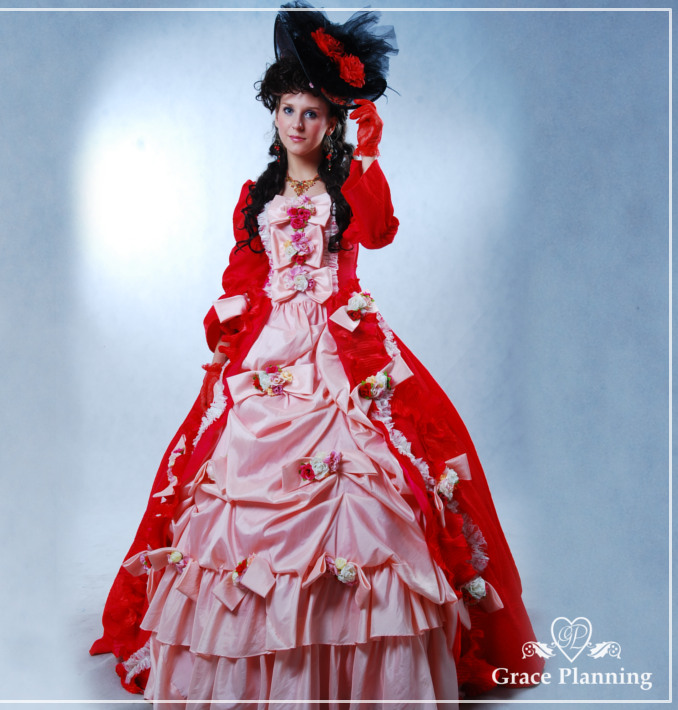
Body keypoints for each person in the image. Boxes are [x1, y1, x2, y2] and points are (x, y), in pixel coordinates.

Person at [90, 3, 544, 706]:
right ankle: (253, 663)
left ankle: (363, 663)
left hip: (338, 344)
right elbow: (245, 272)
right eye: (288, 111)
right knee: (233, 476)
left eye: (311, 114)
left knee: (370, 483)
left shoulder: (347, 187)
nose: (297, 124)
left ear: (331, 123)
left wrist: (370, 156)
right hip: (271, 345)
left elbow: (381, 230)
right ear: (273, 114)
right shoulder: (257, 195)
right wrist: (230, 320)